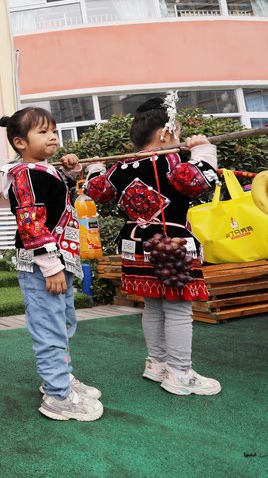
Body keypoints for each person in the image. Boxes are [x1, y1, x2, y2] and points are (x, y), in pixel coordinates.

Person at [85, 97, 221, 396]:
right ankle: (180, 373)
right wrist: (203, 148)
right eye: (178, 129)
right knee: (178, 309)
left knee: (154, 305)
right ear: (164, 133)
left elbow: (98, 190)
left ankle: (157, 364)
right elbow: (200, 180)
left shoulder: (119, 168)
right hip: (170, 245)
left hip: (135, 244)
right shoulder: (172, 161)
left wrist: (94, 167)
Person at [0, 108, 104, 422]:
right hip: (43, 265)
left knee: (62, 323)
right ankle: (58, 396)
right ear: (20, 142)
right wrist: (50, 265)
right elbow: (30, 221)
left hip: (59, 260)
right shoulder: (25, 175)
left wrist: (69, 175)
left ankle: (60, 379)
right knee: (49, 328)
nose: (53, 137)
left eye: (53, 131)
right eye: (43, 132)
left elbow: (59, 204)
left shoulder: (43, 170)